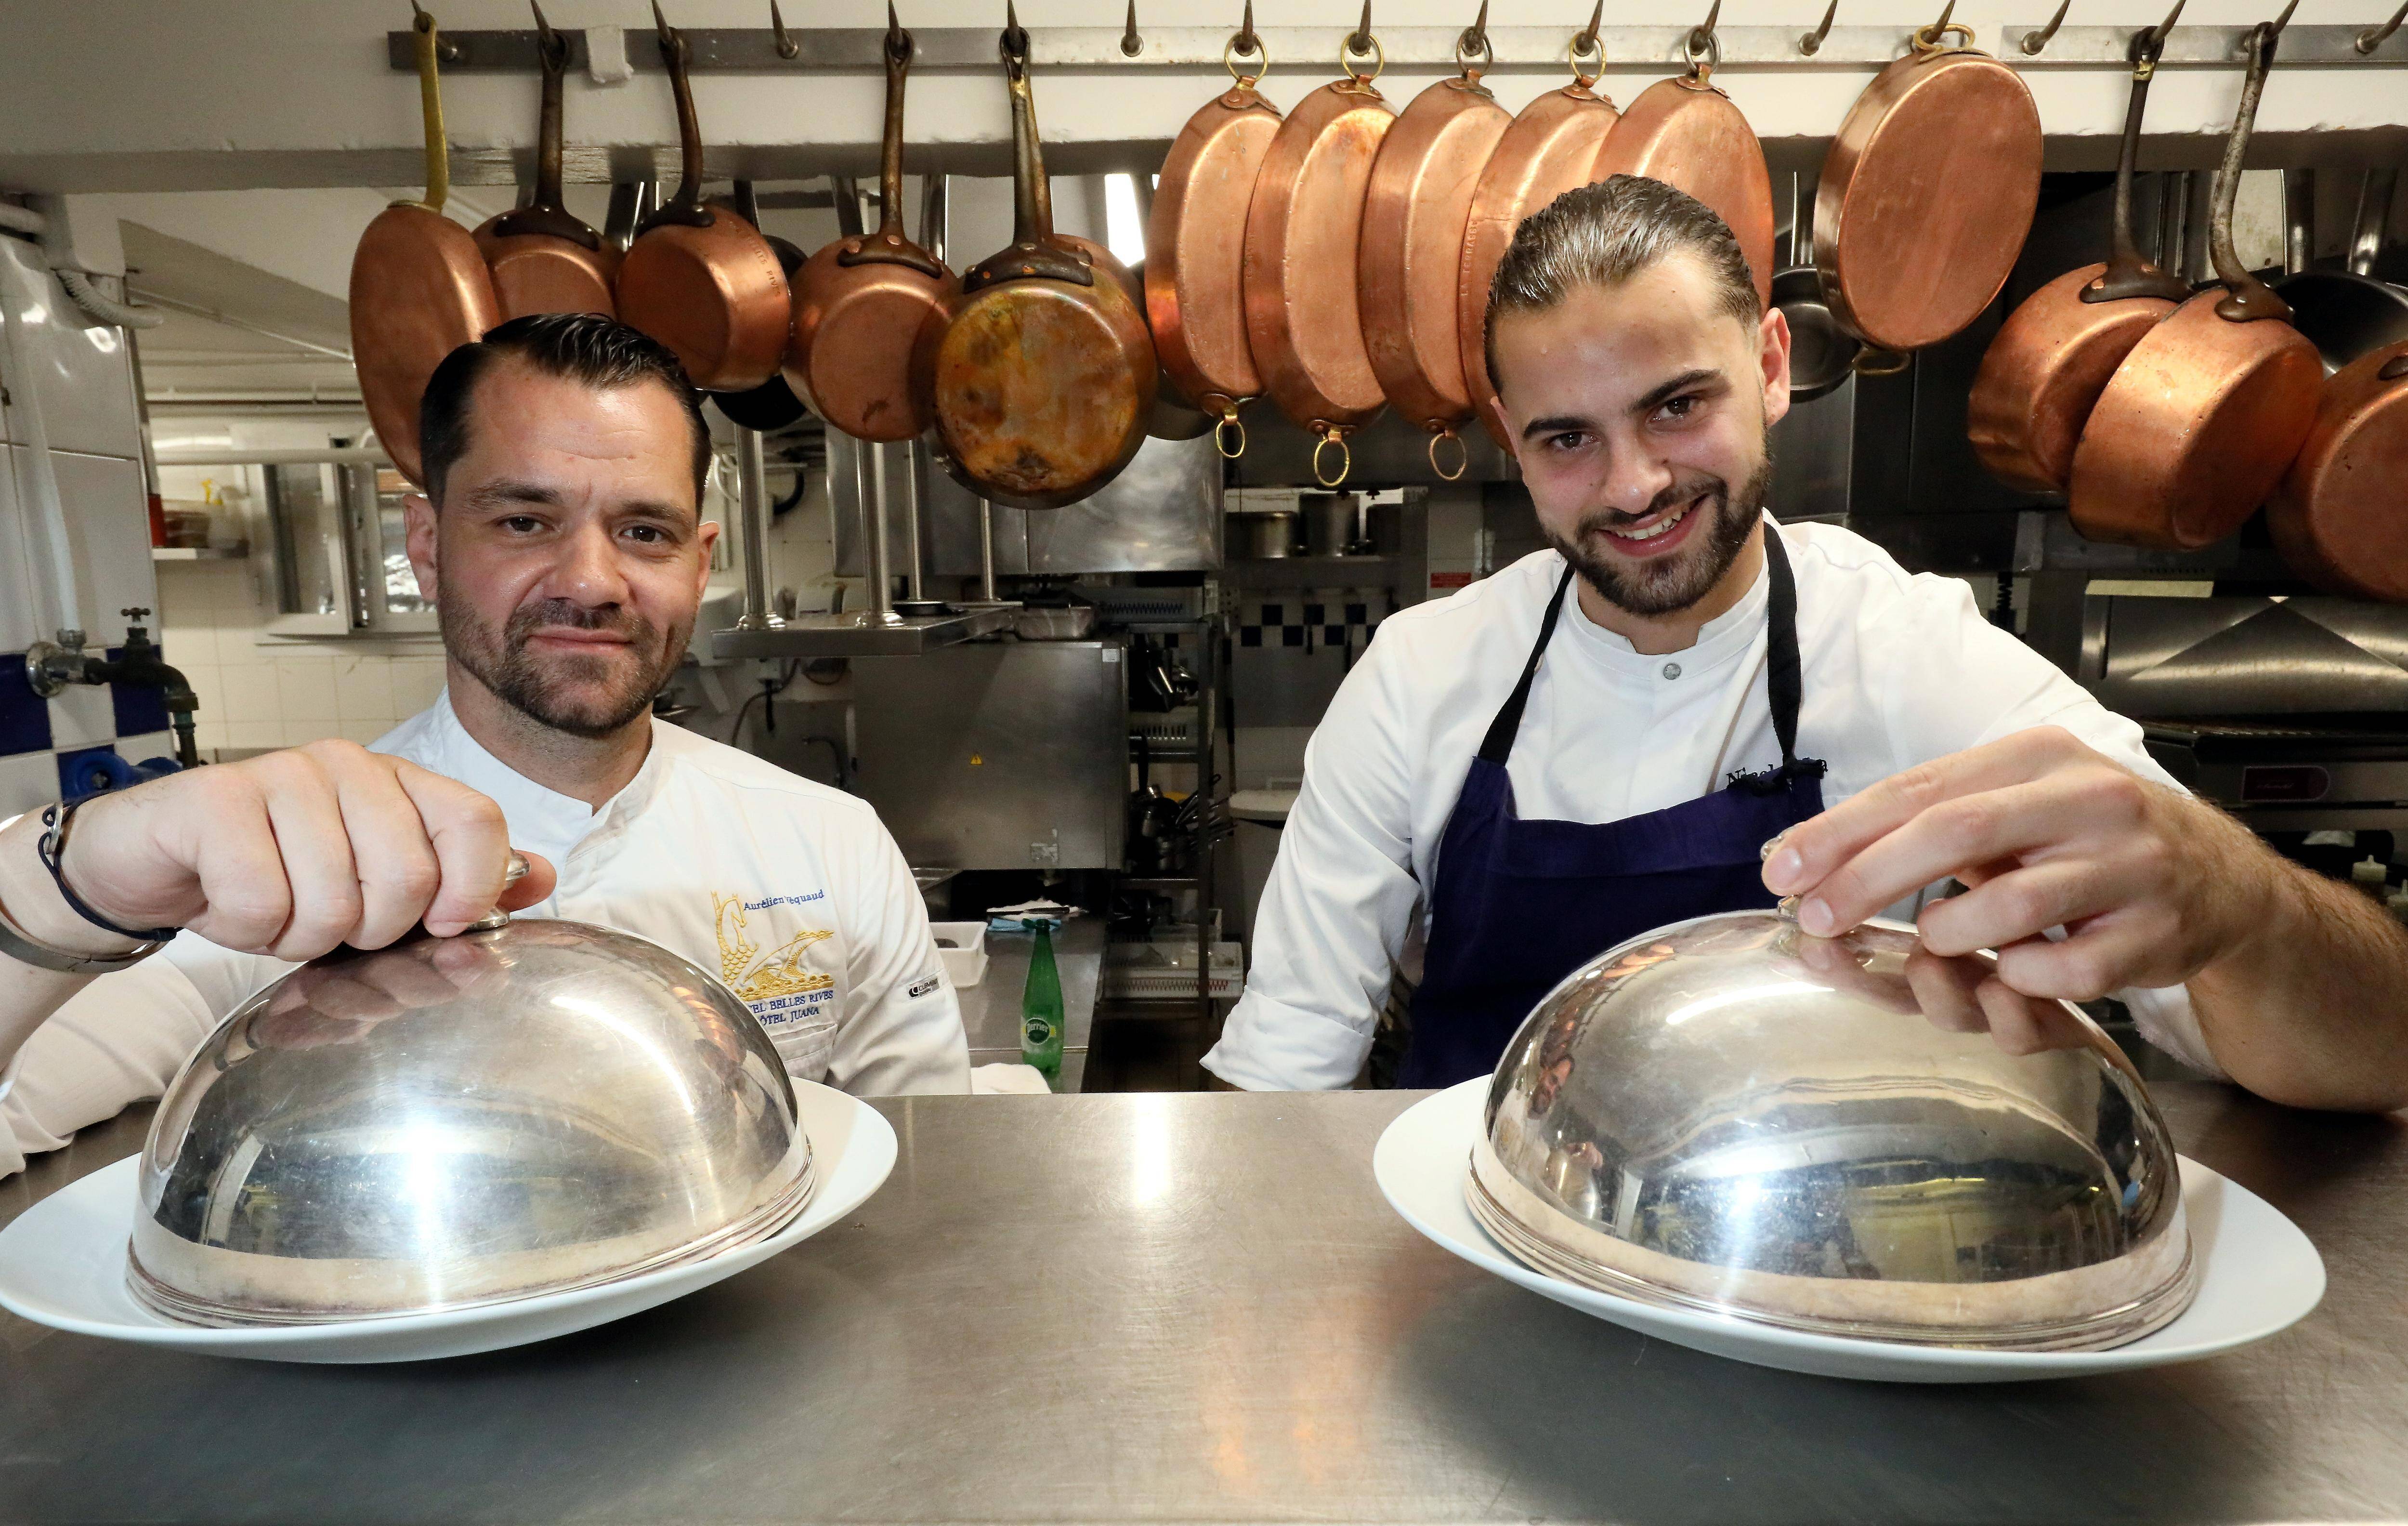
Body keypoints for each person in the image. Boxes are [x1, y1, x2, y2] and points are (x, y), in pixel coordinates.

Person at [1204, 176, 2408, 1112]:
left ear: (1771, 366)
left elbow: (2362, 1056)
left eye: (1678, 405)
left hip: (1834, 1282)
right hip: (1481, 1267)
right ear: (1514, 443)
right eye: (1567, 438)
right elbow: (1283, 1073)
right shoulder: (1420, 677)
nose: (1633, 486)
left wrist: (2241, 900)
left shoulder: (1917, 659)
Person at [0, 314, 968, 1174]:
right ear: (427, 546)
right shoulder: (278, 881)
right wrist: (75, 870)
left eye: (643, 530)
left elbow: (927, 1145)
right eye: (523, 520)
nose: (592, 580)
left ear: (698, 561)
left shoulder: (825, 839)